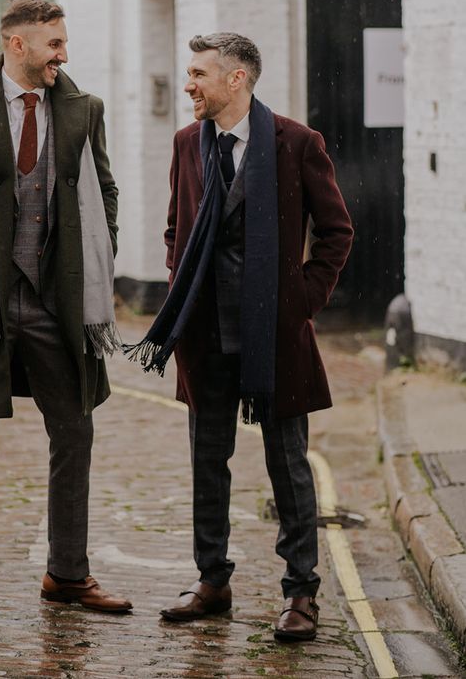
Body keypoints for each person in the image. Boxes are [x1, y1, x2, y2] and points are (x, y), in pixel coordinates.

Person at [126, 32, 352, 642]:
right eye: (188, 72)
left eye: (199, 73)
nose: (189, 84)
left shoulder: (297, 143)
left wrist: (300, 302)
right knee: (208, 461)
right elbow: (177, 229)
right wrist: (183, 288)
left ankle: (301, 592)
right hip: (203, 335)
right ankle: (212, 581)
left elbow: (336, 233)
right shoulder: (185, 145)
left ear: (237, 80)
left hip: (274, 335)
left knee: (288, 466)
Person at [0, 0, 131, 630]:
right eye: (54, 43)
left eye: (64, 42)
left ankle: (66, 573)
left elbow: (105, 192)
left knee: (74, 432)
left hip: (58, 300)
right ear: (18, 45)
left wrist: (96, 258)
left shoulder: (82, 108)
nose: (64, 54)